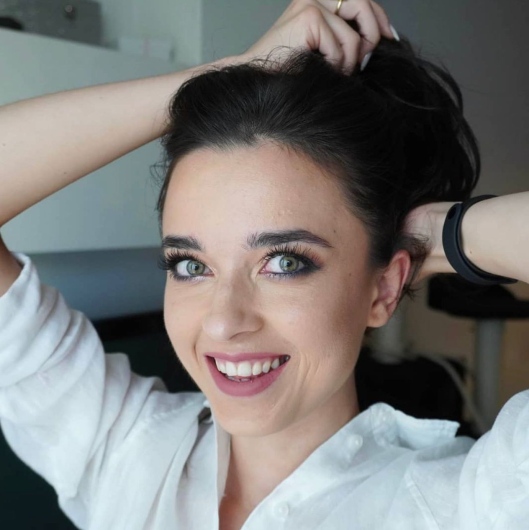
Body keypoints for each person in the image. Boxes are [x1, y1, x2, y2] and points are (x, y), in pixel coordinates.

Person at [0, 0, 528, 528]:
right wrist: (231, 73)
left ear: (384, 289)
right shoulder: (128, 453)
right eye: (190, 265)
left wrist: (442, 234)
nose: (223, 322)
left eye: (285, 262)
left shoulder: (467, 504)